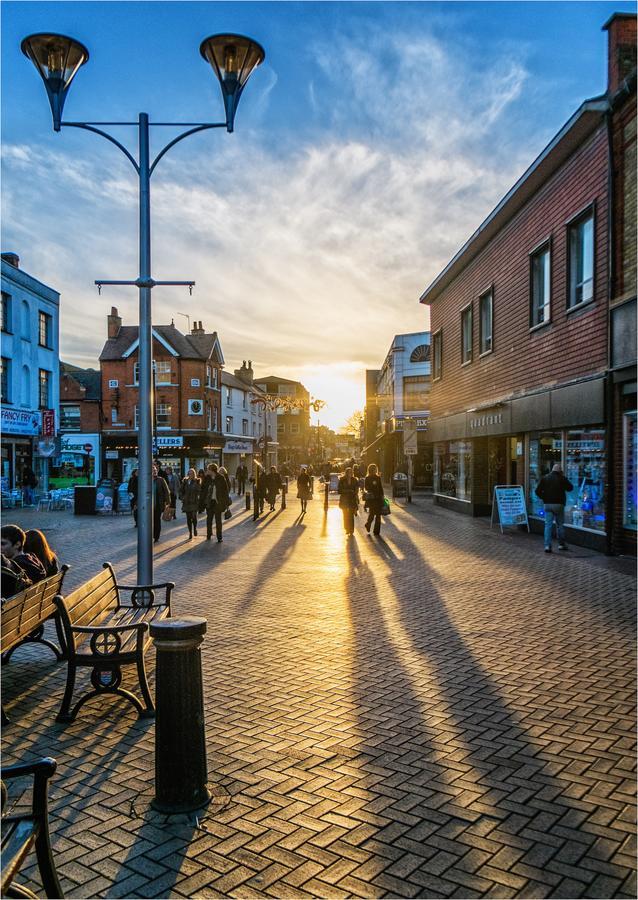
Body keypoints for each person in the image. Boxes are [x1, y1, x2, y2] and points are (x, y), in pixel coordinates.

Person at [535, 463, 574, 553]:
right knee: (560, 525)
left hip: (548, 504)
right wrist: (564, 478)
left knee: (547, 525)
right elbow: (570, 488)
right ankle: (561, 544)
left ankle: (547, 546)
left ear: (552, 470)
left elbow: (537, 491)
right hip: (559, 504)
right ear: (560, 471)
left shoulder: (545, 478)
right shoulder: (562, 478)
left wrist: (544, 497)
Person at [202, 463, 230, 542]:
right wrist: (202, 501)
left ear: (212, 470)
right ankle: (209, 534)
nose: (207, 471)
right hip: (209, 502)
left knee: (218, 521)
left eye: (208, 469)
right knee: (209, 519)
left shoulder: (221, 478)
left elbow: (225, 491)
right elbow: (203, 490)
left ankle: (219, 537)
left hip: (218, 502)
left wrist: (226, 503)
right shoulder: (207, 478)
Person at [363, 463, 385, 536]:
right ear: (371, 470)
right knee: (372, 513)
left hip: (378, 498)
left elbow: (380, 487)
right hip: (372, 498)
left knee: (378, 515)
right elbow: (366, 487)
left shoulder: (378, 477)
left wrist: (382, 495)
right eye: (374, 469)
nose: (376, 470)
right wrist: (372, 489)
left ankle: (376, 531)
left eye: (376, 468)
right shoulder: (367, 478)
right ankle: (368, 524)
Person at [180, 468, 202, 539]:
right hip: (186, 502)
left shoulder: (197, 481)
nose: (190, 475)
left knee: (194, 517)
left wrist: (198, 496)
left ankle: (195, 528)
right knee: (188, 518)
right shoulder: (185, 481)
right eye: (189, 473)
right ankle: (190, 532)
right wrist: (182, 497)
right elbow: (181, 491)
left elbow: (199, 490)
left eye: (192, 473)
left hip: (194, 501)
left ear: (194, 474)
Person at [338, 467, 360, 536]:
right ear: (346, 473)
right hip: (344, 499)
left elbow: (356, 489)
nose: (349, 474)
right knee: (345, 515)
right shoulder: (342, 480)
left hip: (352, 499)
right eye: (348, 472)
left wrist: (355, 493)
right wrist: (349, 491)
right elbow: (339, 490)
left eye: (351, 472)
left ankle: (351, 530)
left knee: (351, 515)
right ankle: (346, 528)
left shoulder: (355, 480)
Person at [152, 465, 171, 543]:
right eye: (153, 470)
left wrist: (168, 502)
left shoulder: (161, 480)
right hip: (148, 506)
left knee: (156, 520)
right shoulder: (145, 480)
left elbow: (167, 491)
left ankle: (156, 536)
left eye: (155, 470)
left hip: (158, 505)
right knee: (149, 522)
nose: (155, 471)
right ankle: (150, 535)